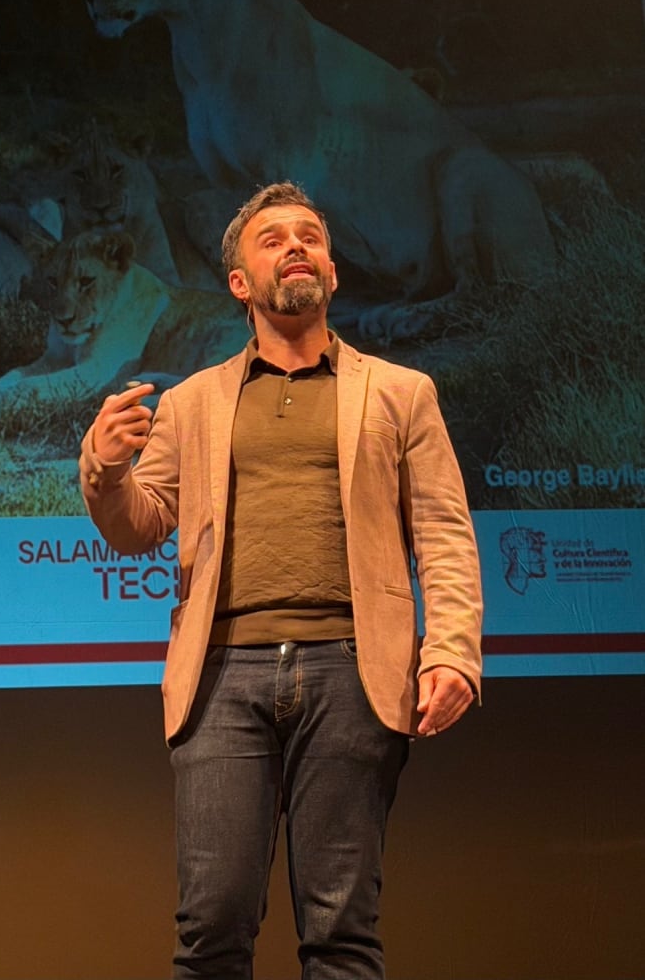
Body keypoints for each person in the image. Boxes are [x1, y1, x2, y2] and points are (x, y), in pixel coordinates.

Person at [79, 182, 483, 980]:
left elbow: (443, 530)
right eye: (273, 239)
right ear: (239, 283)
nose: (296, 246)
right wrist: (104, 465)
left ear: (332, 273)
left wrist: (454, 651)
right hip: (223, 676)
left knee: (341, 932)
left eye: (310, 237)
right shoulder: (194, 402)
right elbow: (139, 524)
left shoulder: (403, 394)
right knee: (213, 927)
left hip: (354, 670)